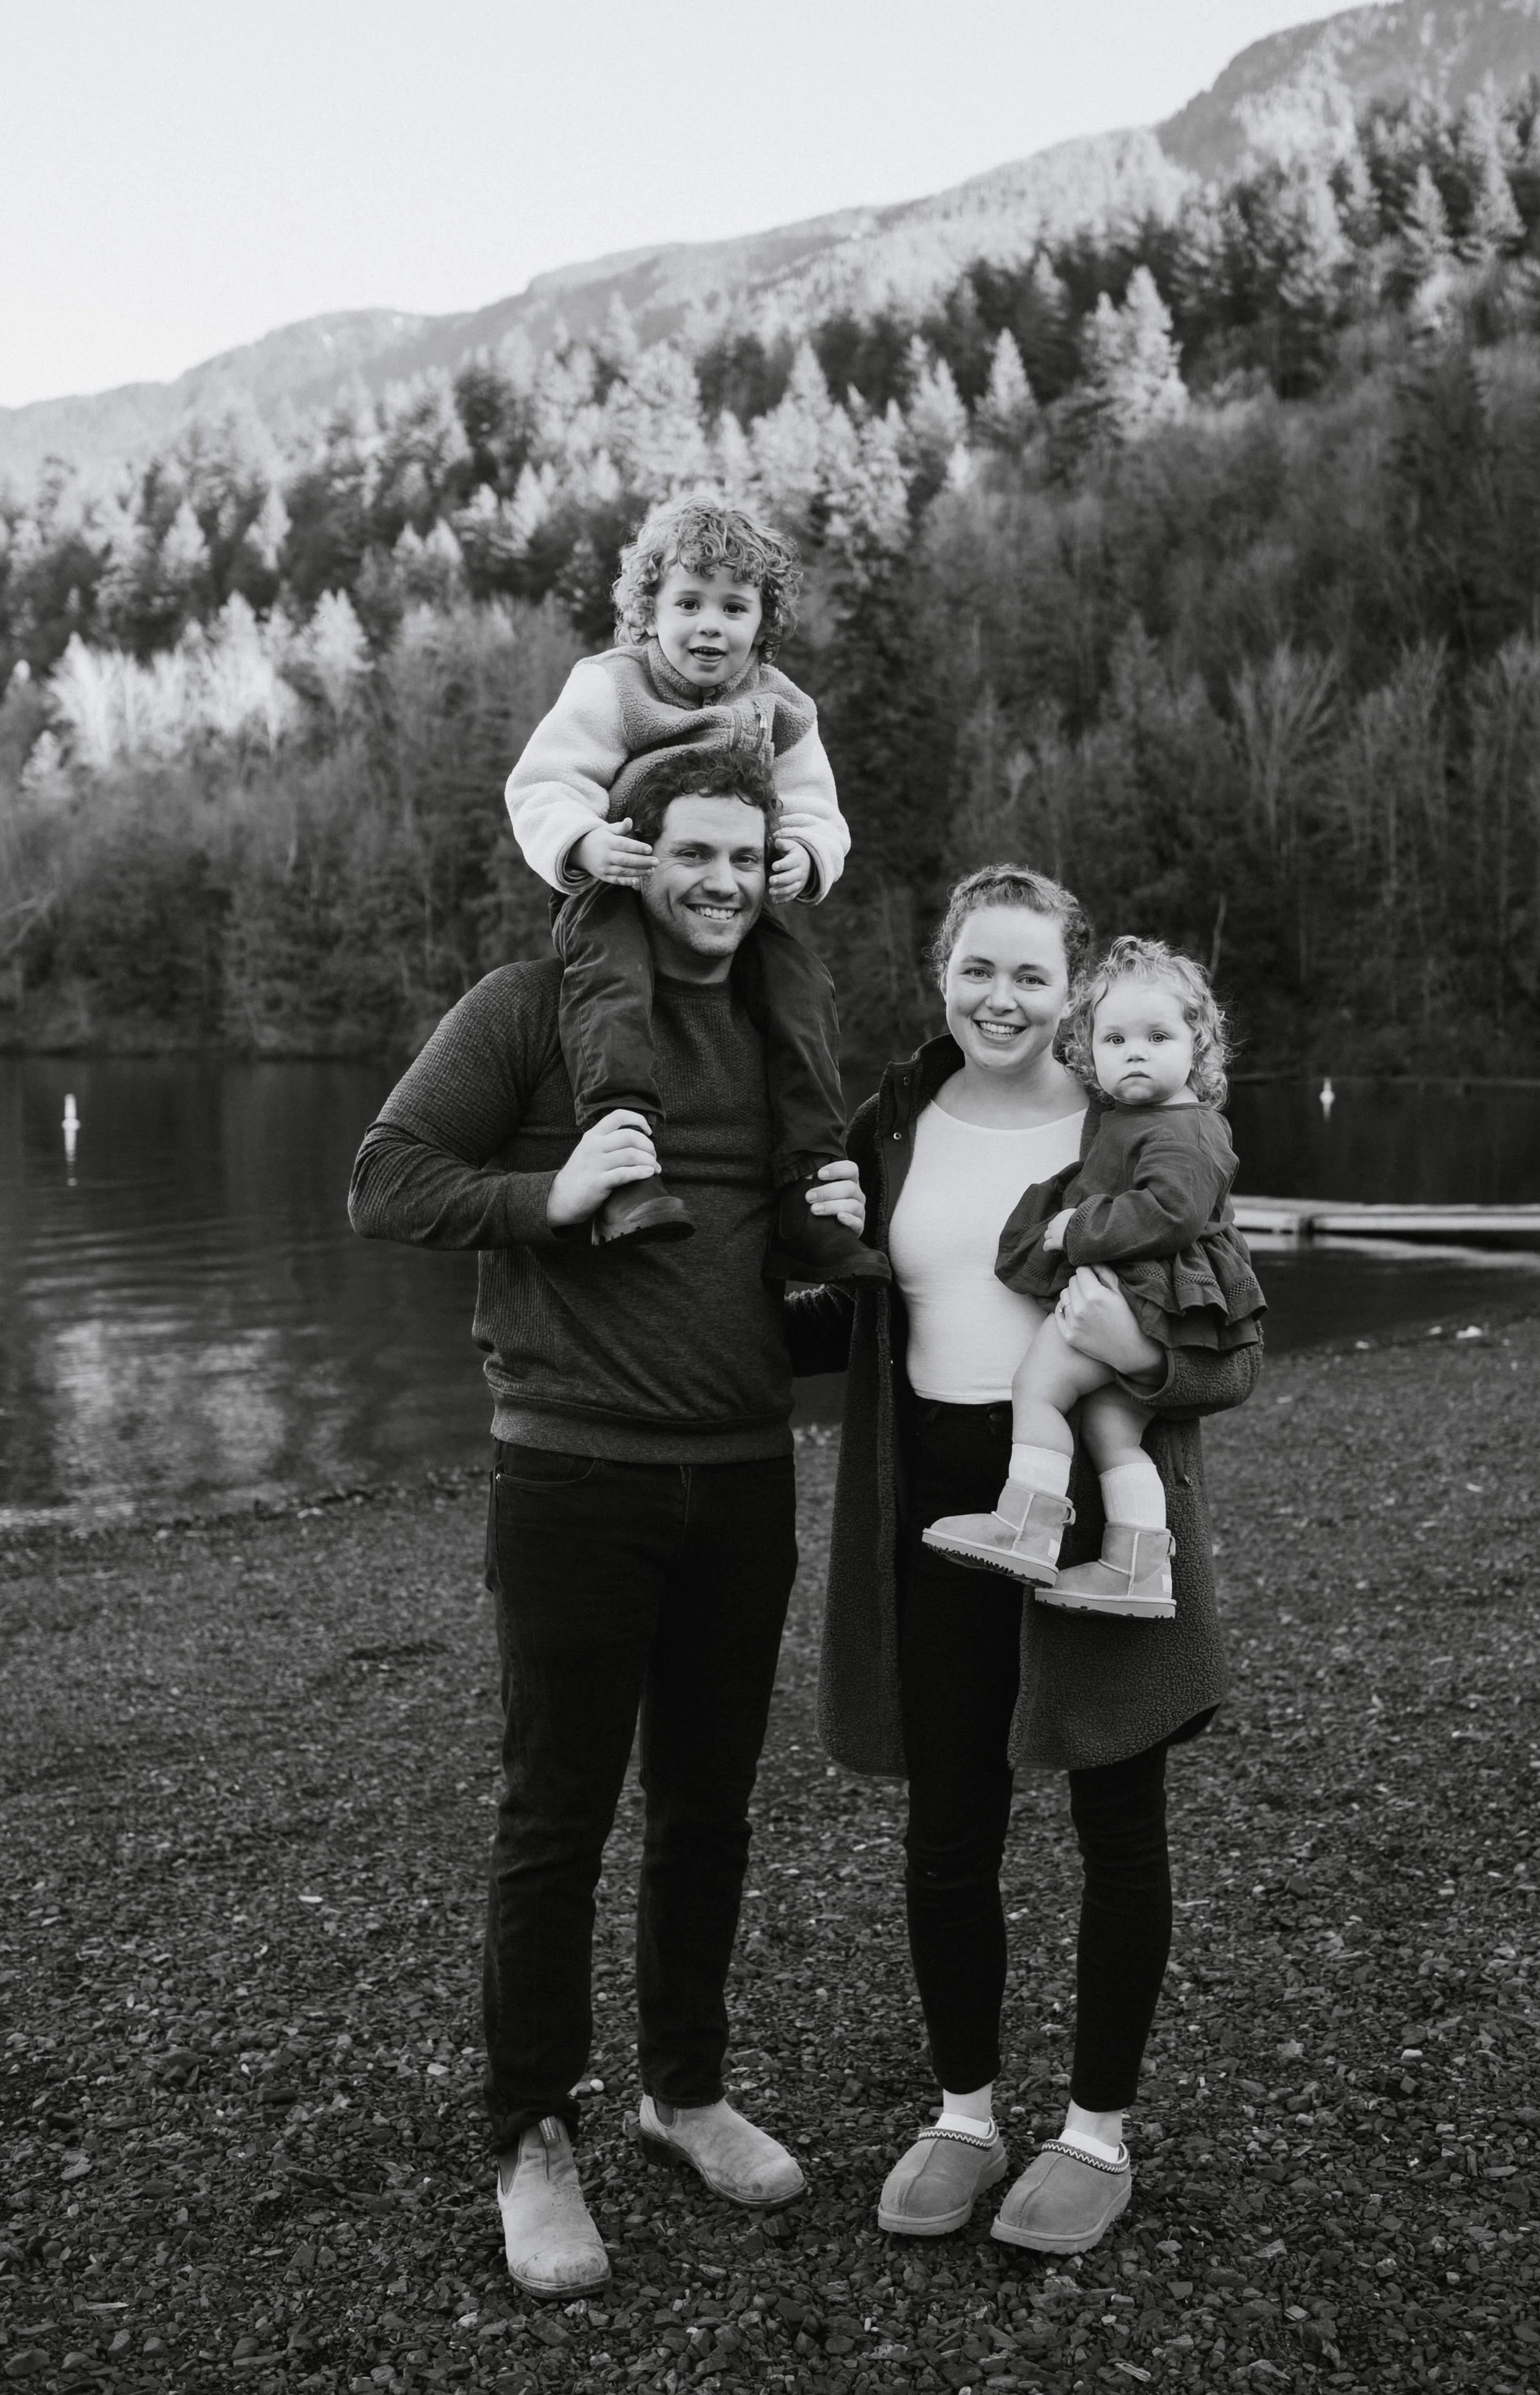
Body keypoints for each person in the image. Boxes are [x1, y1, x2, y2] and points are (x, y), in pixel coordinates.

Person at [348, 745, 868, 2299]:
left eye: (743, 854)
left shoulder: (783, 1023)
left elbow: (784, 1271)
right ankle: (530, 2131)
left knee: (709, 1803)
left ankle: (683, 2086)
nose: (716, 880)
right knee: (555, 1810)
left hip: (744, 1468)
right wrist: (550, 1196)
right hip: (573, 1471)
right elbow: (385, 1180)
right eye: (688, 851)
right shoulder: (529, 1007)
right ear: (632, 854)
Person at [786, 865, 1261, 2256]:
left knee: (1115, 1825)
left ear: (1072, 995)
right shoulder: (888, 1123)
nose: (1000, 998)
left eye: (1029, 977)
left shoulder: (1132, 1122)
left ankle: (1095, 2134)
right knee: (948, 1827)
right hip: (932, 1505)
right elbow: (850, 1311)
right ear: (941, 972)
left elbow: (1229, 1345)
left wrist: (1143, 1354)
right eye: (974, 970)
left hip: (1095, 1496)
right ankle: (962, 2116)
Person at [505, 495, 885, 1285]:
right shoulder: (613, 685)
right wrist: (583, 840)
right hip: (617, 889)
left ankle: (808, 1193)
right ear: (649, 611)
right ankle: (626, 1169)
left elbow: (819, 807)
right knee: (612, 986)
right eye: (688, 603)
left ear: (762, 620)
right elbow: (542, 784)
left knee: (803, 988)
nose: (709, 626)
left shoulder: (782, 706)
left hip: (726, 905)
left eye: (733, 607)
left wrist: (808, 854)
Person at [925, 933, 1264, 1616]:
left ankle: (1026, 1525)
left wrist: (1076, 1228)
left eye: (1157, 1036)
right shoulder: (1138, 1119)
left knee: (1039, 1388)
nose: (1133, 1052)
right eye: (1114, 1041)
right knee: (1113, 1432)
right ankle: (1136, 1564)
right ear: (1089, 1051)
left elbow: (1171, 1211)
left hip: (1132, 1295)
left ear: (1199, 1047)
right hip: (1153, 1299)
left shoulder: (1181, 1129)